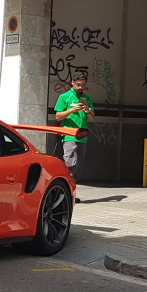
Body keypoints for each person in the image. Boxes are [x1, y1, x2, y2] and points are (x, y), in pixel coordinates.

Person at [54, 72, 94, 201]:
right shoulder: (64, 97)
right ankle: (66, 194)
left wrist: (87, 109)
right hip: (69, 136)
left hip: (83, 135)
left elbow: (92, 118)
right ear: (72, 82)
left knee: (78, 166)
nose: (80, 87)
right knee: (70, 164)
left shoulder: (87, 98)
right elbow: (58, 116)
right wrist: (72, 110)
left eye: (83, 85)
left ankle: (71, 193)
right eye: (78, 84)